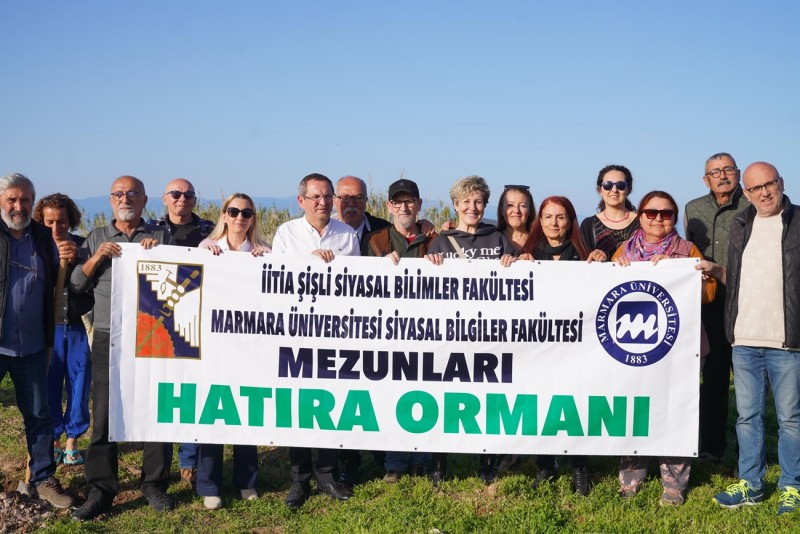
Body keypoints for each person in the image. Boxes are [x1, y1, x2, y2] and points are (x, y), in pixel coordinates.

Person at [70, 176, 174, 521]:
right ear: (111, 200)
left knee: (155, 408)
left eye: (132, 194)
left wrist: (159, 255)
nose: (125, 199)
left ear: (144, 200)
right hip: (108, 336)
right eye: (118, 194)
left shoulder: (160, 236)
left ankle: (154, 484)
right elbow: (77, 283)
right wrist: (97, 257)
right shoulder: (97, 237)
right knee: (104, 412)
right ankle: (101, 489)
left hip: (151, 336)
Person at [703, 162, 800, 515]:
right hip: (744, 338)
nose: (764, 192)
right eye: (756, 188)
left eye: (769, 184)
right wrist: (715, 270)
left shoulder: (798, 221)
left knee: (790, 419)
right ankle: (752, 484)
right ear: (746, 193)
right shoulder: (741, 224)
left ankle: (792, 486)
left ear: (781, 182)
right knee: (747, 418)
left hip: (788, 340)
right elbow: (739, 277)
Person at [614, 190, 716, 506]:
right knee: (633, 409)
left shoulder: (688, 250)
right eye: (651, 212)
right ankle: (631, 476)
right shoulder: (624, 250)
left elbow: (708, 295)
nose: (658, 218)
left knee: (675, 410)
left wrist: (680, 270)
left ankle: (674, 482)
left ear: (674, 218)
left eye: (666, 213)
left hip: (679, 347)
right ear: (640, 216)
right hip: (631, 347)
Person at [272, 173, 358, 508]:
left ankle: (327, 475)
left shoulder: (347, 234)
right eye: (315, 197)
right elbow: (274, 278)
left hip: (335, 332)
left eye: (327, 196)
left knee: (329, 403)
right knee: (299, 405)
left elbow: (358, 283)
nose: (322, 202)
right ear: (301, 201)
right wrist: (309, 263)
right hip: (297, 332)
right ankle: (299, 479)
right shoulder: (286, 233)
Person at [425, 175, 515, 485]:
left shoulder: (498, 239)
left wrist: (514, 261)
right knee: (444, 398)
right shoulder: (441, 242)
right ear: (455, 205)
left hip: (490, 335)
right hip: (450, 334)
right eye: (466, 201)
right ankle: (439, 465)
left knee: (489, 399)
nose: (472, 207)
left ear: (485, 205)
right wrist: (429, 263)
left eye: (478, 201)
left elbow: (521, 282)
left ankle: (486, 464)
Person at [0, 173, 74, 509]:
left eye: (25, 199)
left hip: (31, 345)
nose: (19, 206)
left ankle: (43, 479)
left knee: (39, 414)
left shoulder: (44, 239)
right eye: (12, 199)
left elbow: (62, 280)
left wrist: (69, 256)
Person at [195, 193, 269, 509]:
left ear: (253, 219)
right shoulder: (206, 248)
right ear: (224, 215)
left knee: (246, 412)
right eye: (234, 211)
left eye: (246, 213)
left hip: (250, 345)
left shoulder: (264, 252)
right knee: (213, 411)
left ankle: (246, 481)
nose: (240, 217)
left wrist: (267, 263)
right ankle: (209, 485)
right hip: (214, 345)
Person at [524, 196, 602, 496]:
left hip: (576, 346)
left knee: (575, 407)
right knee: (542, 406)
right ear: (539, 221)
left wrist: (602, 263)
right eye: (548, 217)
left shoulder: (584, 255)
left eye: (560, 217)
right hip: (538, 347)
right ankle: (545, 465)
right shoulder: (528, 254)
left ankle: (579, 468)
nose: (554, 223)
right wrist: (515, 266)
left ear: (570, 222)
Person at [362, 178, 436, 482]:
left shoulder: (434, 239)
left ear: (419, 205)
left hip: (427, 331)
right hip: (388, 330)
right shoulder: (375, 241)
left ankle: (422, 460)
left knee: (425, 393)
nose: (404, 207)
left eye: (410, 201)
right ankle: (394, 462)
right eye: (398, 202)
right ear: (389, 206)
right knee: (393, 394)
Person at [684, 153, 749, 462]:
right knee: (713, 378)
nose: (722, 176)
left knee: (750, 381)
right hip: (710, 303)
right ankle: (712, 447)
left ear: (738, 172)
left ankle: (748, 453)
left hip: (748, 300)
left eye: (728, 169)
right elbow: (688, 252)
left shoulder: (752, 204)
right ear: (705, 179)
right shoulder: (693, 209)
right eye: (715, 172)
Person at [151, 178, 215, 488]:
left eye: (188, 194)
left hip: (199, 322)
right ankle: (159, 465)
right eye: (175, 194)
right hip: (160, 322)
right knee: (163, 394)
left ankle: (189, 461)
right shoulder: (150, 231)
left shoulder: (211, 231)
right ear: (164, 198)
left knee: (194, 393)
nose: (182, 199)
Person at [32, 194, 94, 467]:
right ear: (41, 221)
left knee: (79, 382)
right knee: (50, 382)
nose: (56, 228)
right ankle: (54, 438)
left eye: (62, 222)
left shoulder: (84, 246)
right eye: (49, 222)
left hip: (79, 325)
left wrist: (78, 258)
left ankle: (72, 440)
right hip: (48, 328)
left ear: (71, 221)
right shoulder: (35, 246)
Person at [580, 164, 639, 259]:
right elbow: (582, 259)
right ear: (599, 190)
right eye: (608, 185)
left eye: (620, 185)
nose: (614, 190)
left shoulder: (642, 223)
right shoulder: (589, 225)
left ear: (629, 189)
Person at [496, 185, 536, 253]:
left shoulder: (538, 240)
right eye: (510, 205)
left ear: (530, 210)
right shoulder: (493, 239)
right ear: (502, 210)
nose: (516, 210)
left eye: (522, 206)